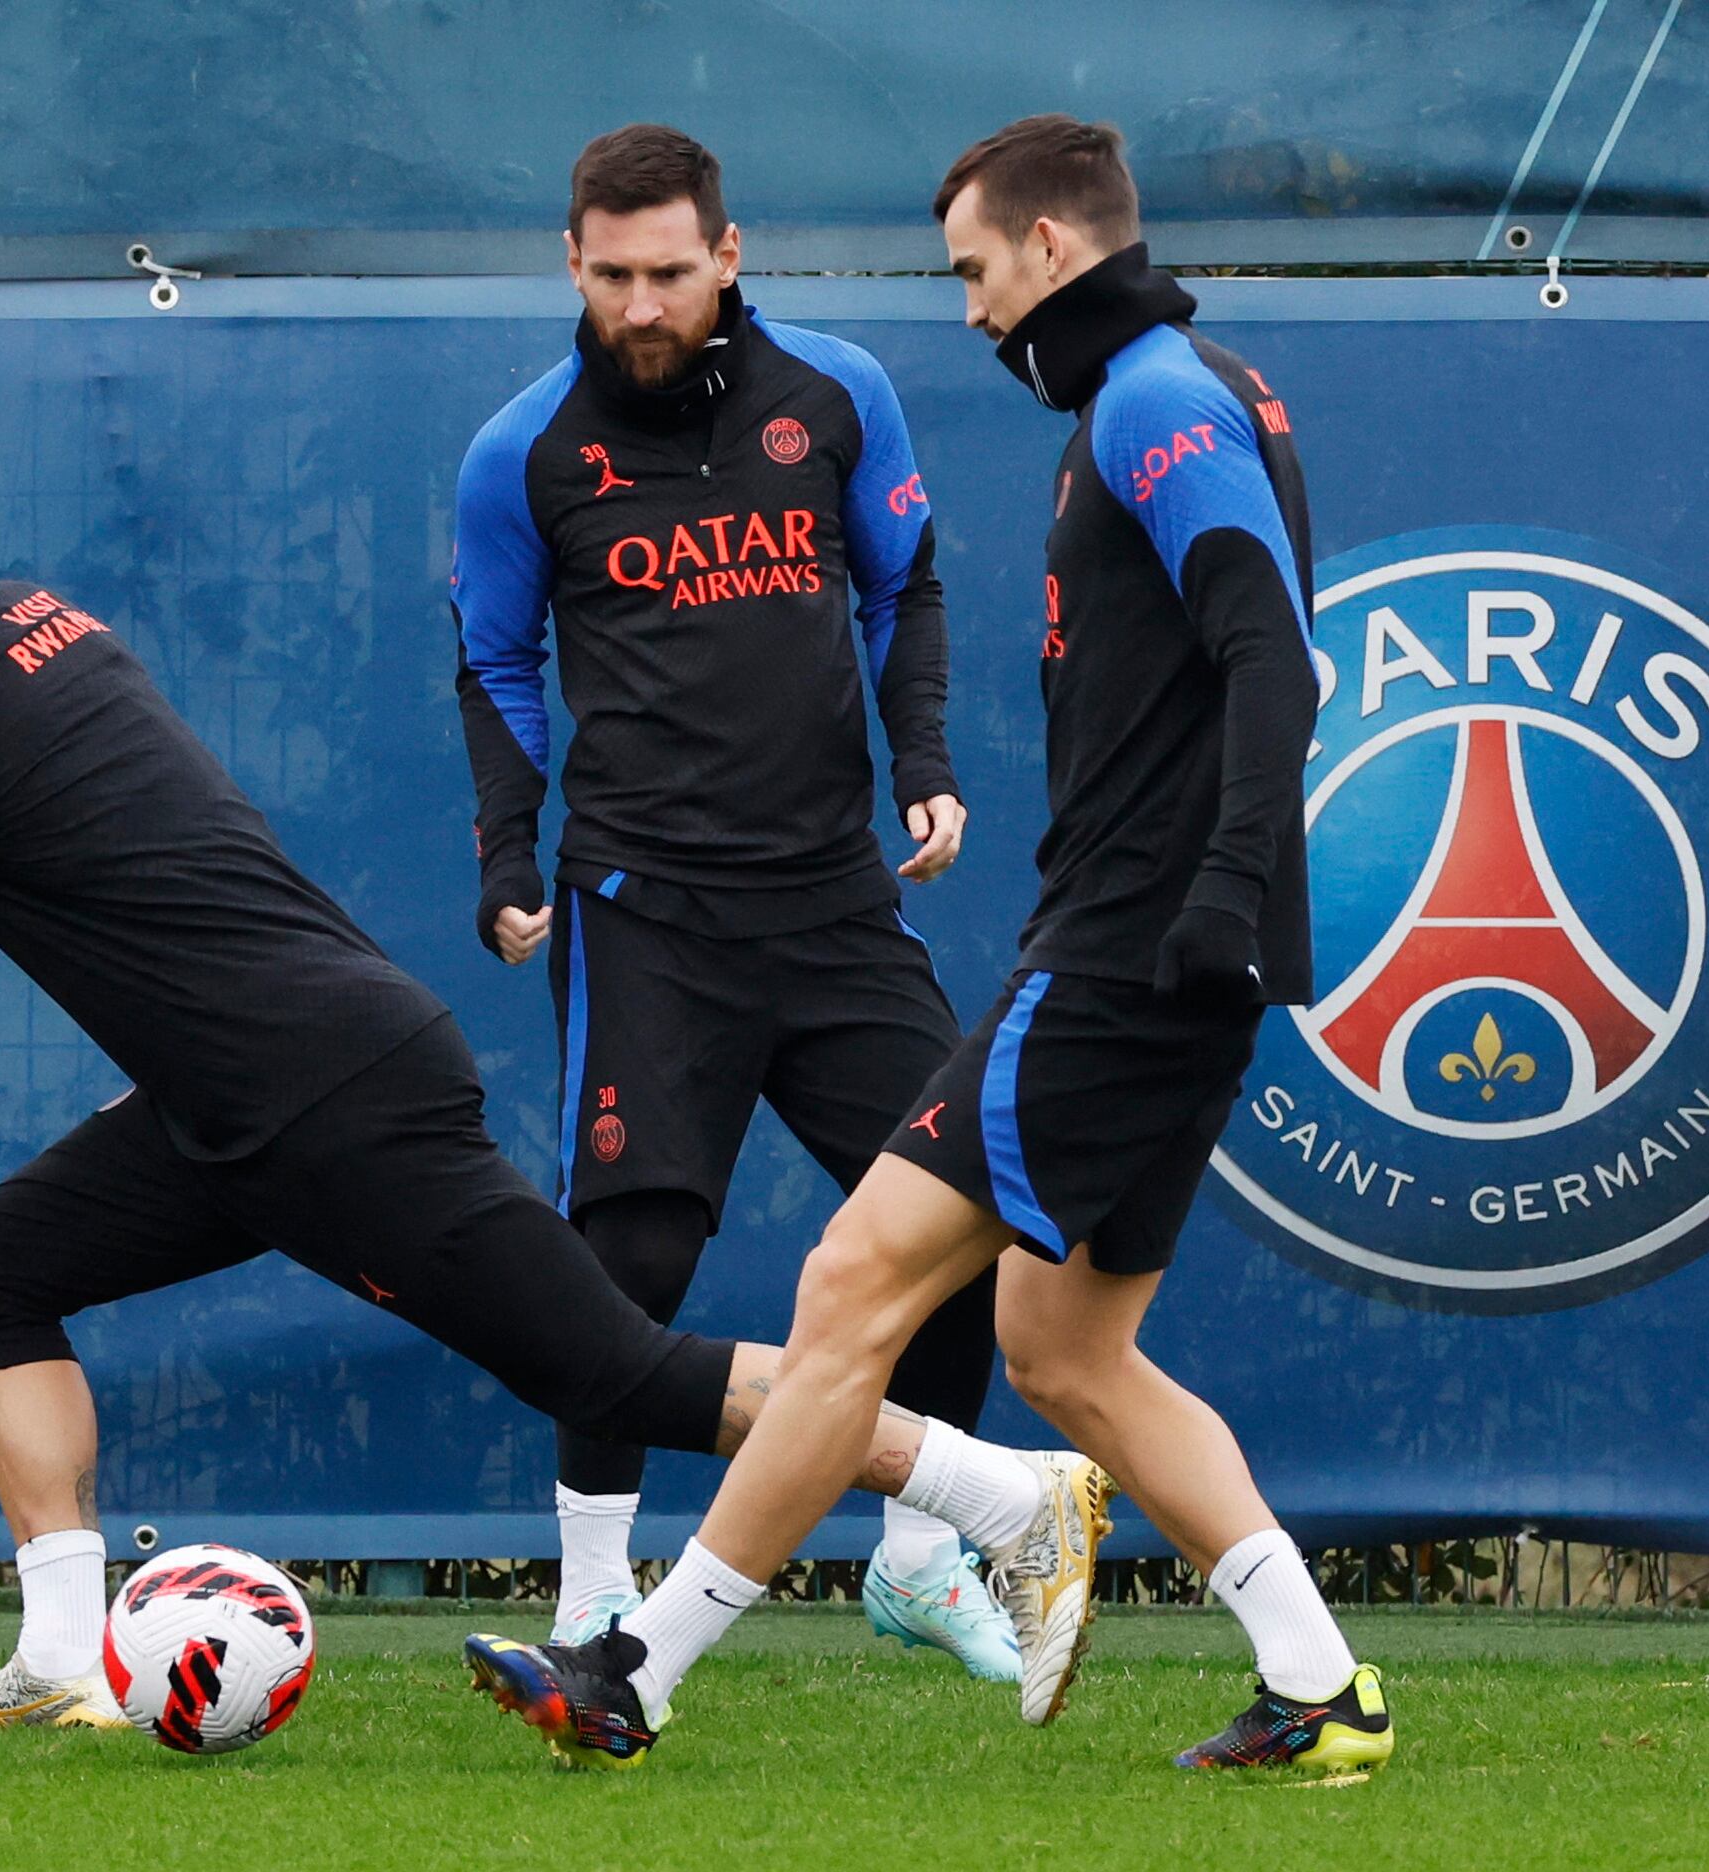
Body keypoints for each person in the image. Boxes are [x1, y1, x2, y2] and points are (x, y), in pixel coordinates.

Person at [0, 379, 1087, 1740]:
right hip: (237, 1100)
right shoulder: (35, 622)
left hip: (323, 1100)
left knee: (613, 1374)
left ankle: (1002, 1497)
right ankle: (57, 1657)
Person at [464, 116, 1393, 1775]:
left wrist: (1216, 888)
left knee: (848, 1287)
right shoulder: (1178, 390)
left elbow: (1275, 656)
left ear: (1048, 246)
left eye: (973, 269)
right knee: (1066, 1352)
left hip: (1126, 954)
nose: (967, 310)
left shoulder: (1156, 401)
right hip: (1172, 953)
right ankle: (1321, 1685)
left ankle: (635, 1669)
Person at [451, 122, 1011, 1673]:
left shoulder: (834, 398)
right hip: (644, 913)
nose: (643, 305)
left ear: (729, 255)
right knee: (622, 1273)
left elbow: (903, 588)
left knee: (960, 1220)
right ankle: (585, 1594)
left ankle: (913, 1559)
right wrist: (510, 858)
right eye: (613, 275)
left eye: (671, 273)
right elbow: (495, 663)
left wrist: (923, 764)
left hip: (833, 906)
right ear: (573, 263)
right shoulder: (524, 452)